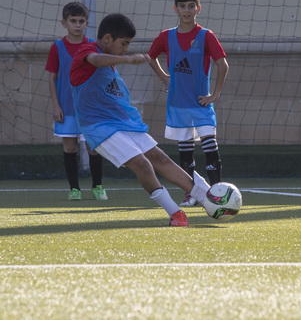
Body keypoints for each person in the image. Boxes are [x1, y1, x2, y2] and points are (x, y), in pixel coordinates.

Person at [70, 13, 211, 227]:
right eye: (124, 44)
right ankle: (175, 213)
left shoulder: (110, 67)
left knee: (160, 159)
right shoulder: (87, 51)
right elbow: (95, 60)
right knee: (142, 164)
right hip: (98, 127)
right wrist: (127, 59)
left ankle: (207, 197)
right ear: (107, 39)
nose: (125, 49)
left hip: (125, 123)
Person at [147, 0, 229, 207]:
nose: (186, 10)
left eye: (191, 6)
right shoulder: (166, 36)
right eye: (182, 6)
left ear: (198, 8)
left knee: (210, 146)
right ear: (175, 9)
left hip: (201, 104)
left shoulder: (206, 36)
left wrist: (215, 93)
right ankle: (191, 193)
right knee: (186, 151)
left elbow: (222, 64)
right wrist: (164, 77)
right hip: (177, 104)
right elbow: (150, 56)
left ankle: (217, 194)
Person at [45, 1, 107, 201]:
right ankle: (74, 189)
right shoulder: (58, 47)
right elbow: (52, 77)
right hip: (67, 107)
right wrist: (56, 105)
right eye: (73, 21)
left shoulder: (93, 46)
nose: (77, 25)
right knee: (69, 147)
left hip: (89, 109)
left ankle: (97, 186)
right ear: (64, 23)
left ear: (86, 23)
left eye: (81, 21)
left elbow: (100, 77)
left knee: (93, 147)